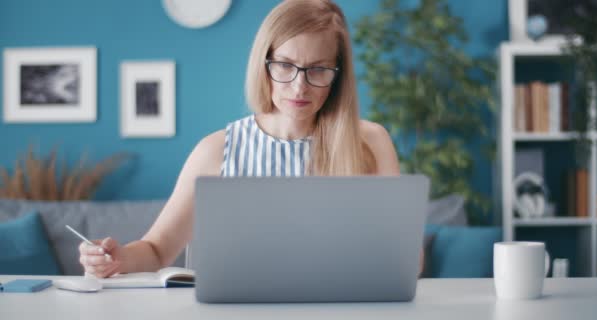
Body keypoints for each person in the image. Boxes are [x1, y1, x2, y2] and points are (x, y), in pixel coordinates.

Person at [79, 0, 414, 278]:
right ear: (262, 63)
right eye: (284, 65)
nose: (299, 87)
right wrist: (118, 258)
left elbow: (407, 263)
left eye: (317, 69)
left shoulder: (370, 142)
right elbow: (157, 249)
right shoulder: (216, 150)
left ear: (337, 75)